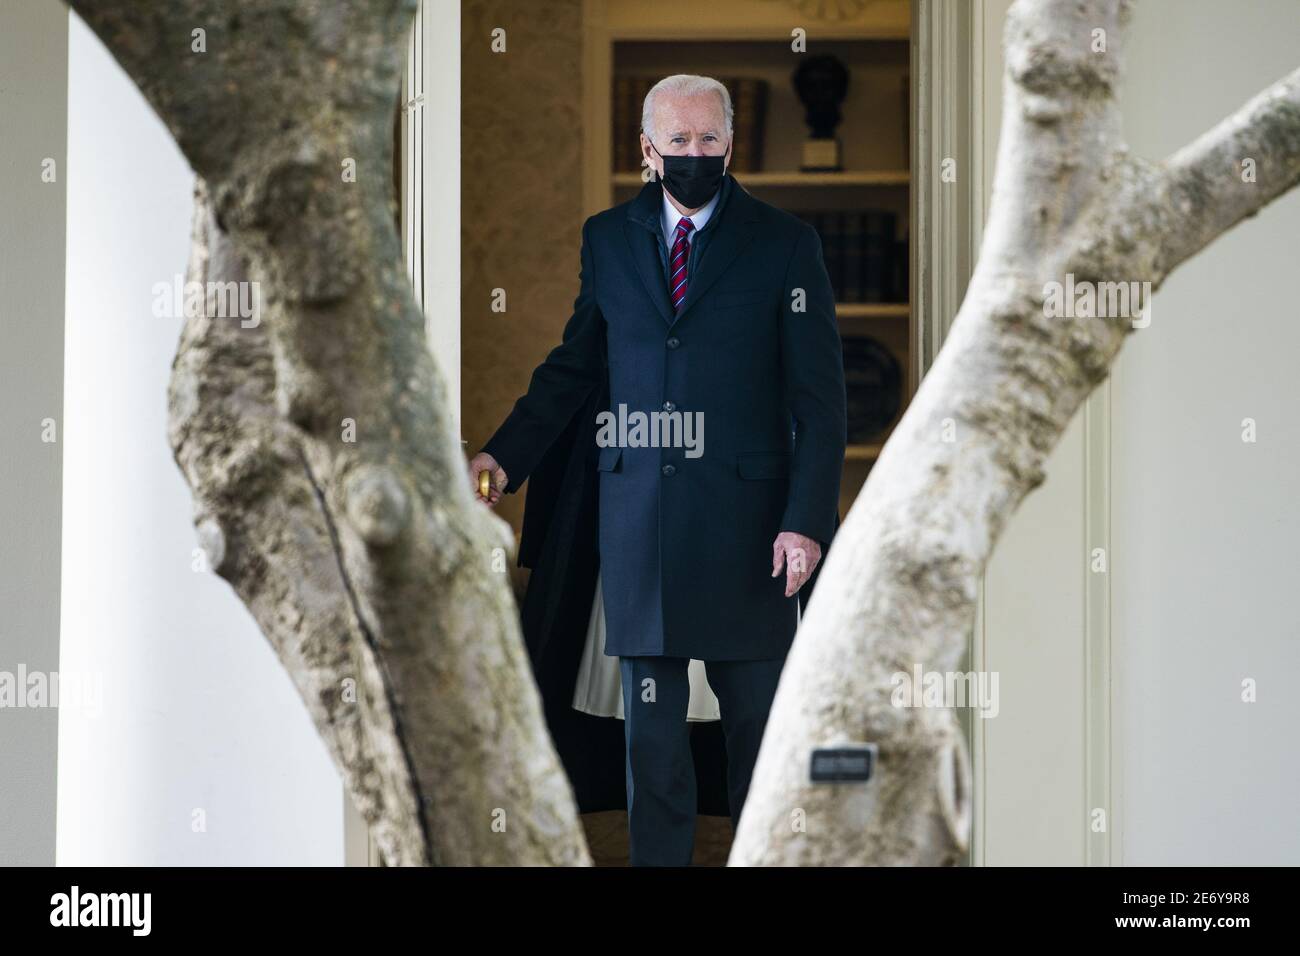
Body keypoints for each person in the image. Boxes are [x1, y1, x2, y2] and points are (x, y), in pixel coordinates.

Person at [469, 73, 846, 866]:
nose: (696, 154)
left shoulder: (785, 244)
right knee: (654, 741)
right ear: (648, 149)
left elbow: (821, 403)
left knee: (757, 736)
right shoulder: (608, 239)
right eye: (679, 142)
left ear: (731, 142)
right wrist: (505, 455)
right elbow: (574, 368)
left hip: (752, 533)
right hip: (639, 524)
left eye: (710, 139)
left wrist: (806, 522)